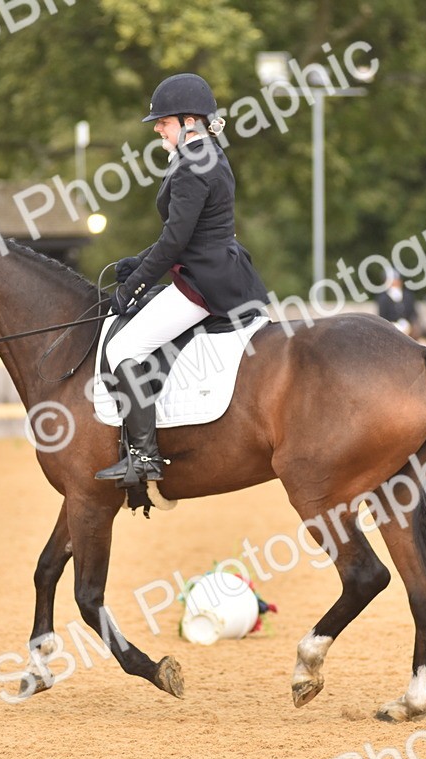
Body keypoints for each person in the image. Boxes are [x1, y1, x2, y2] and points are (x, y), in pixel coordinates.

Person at [96, 73, 269, 486]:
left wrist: (133, 286)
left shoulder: (193, 166)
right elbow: (185, 234)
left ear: (190, 121)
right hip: (215, 268)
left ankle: (143, 456)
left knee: (122, 347)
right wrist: (135, 263)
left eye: (164, 121)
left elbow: (175, 241)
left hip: (204, 283)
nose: (157, 127)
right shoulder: (206, 154)